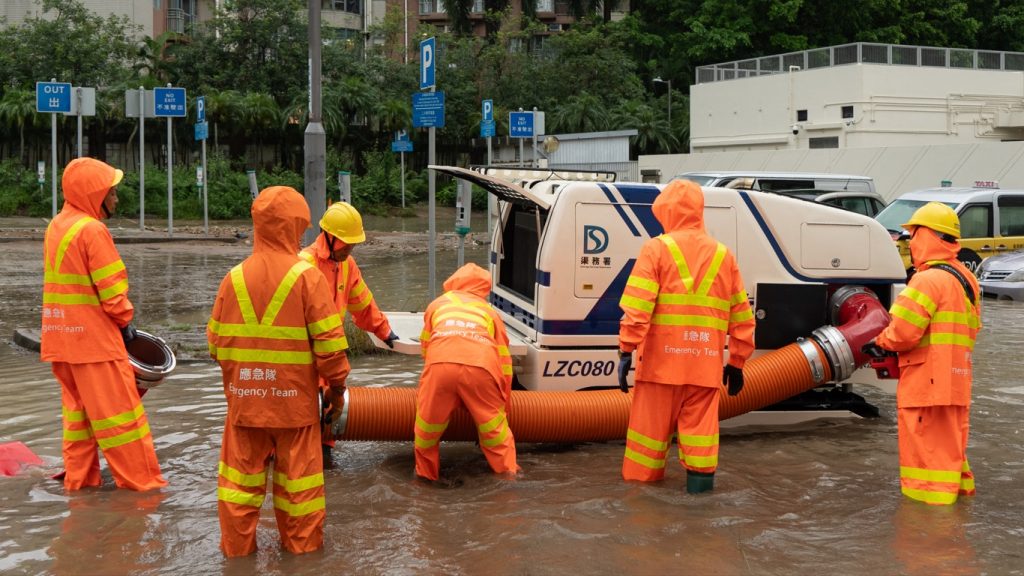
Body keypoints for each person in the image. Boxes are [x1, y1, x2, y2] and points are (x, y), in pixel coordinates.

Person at [207, 186, 351, 556]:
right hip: (295, 413)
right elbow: (331, 350)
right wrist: (335, 394)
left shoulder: (233, 278)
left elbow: (216, 346)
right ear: (296, 227)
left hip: (244, 410)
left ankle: (237, 560)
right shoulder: (308, 278)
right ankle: (302, 560)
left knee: (238, 494)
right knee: (299, 499)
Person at [617, 179, 755, 494]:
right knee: (701, 442)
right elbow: (742, 316)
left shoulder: (656, 248)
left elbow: (638, 308)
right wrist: (736, 362)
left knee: (645, 447)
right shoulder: (724, 256)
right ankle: (700, 513)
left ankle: (640, 515)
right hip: (704, 368)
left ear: (666, 212)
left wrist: (626, 350)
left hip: (660, 368)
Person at [41, 157, 166, 492]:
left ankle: (79, 488)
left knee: (78, 423)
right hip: (94, 345)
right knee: (124, 424)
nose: (116, 199)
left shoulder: (57, 225)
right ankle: (146, 491)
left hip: (61, 344)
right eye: (111, 193)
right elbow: (113, 294)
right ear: (94, 194)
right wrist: (127, 324)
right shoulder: (92, 230)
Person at [872, 201, 981, 505]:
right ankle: (957, 519)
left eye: (913, 235)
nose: (910, 242)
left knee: (928, 473)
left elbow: (902, 333)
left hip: (927, 387)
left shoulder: (927, 279)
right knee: (950, 458)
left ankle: (927, 537)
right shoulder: (965, 278)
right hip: (956, 383)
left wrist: (880, 341)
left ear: (926, 235)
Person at [299, 201, 398, 465]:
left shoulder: (347, 265)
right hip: (303, 363)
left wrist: (385, 331)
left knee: (327, 427)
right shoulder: (304, 265)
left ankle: (326, 466)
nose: (350, 249)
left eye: (354, 244)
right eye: (347, 243)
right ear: (328, 237)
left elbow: (363, 303)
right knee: (298, 432)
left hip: (329, 360)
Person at [413, 263, 518, 481]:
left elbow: (426, 348)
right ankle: (509, 481)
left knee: (426, 435)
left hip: (440, 366)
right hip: (481, 368)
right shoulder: (489, 312)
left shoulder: (437, 305)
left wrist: (445, 389)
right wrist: (504, 404)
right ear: (483, 289)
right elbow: (504, 362)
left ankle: (425, 481)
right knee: (496, 435)